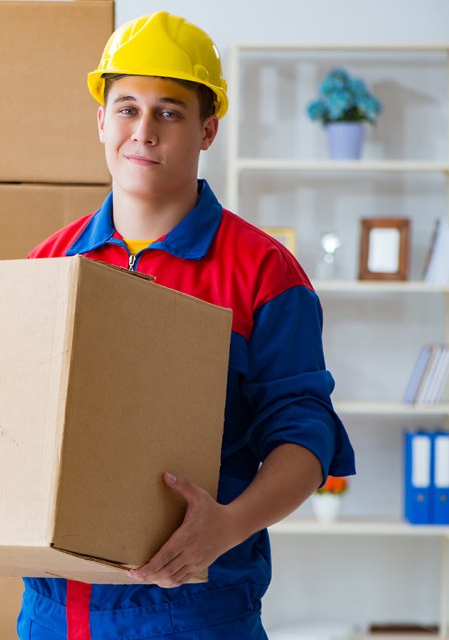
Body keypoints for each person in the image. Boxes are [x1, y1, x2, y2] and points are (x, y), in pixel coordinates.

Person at [19, 11, 356, 640]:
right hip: (55, 613)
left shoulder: (265, 273)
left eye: (169, 112)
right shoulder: (50, 265)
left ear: (207, 130)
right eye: (126, 108)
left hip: (193, 610)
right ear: (100, 120)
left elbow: (306, 435)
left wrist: (228, 525)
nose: (142, 131)